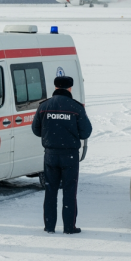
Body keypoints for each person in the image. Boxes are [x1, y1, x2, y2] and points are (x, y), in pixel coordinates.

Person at [31, 76, 92, 235]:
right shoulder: (76, 107)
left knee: (50, 191)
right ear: (70, 88)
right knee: (69, 191)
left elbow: (36, 130)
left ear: (56, 87)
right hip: (70, 155)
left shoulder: (44, 106)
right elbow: (86, 131)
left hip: (50, 155)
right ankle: (69, 227)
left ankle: (49, 226)